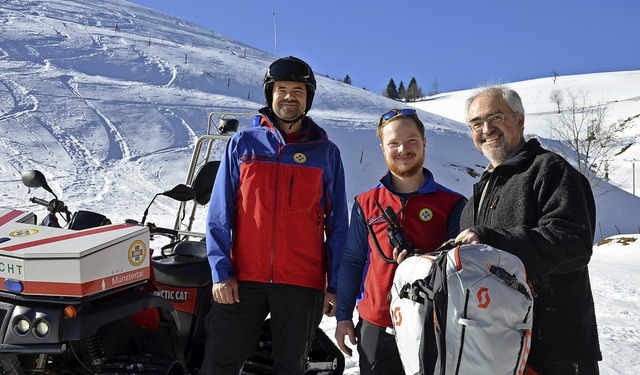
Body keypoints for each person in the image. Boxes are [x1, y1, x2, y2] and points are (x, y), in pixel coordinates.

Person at [200, 56, 349, 375]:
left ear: (308, 97)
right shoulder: (243, 144)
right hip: (242, 279)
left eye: (298, 89)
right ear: (270, 94)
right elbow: (219, 214)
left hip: (302, 283)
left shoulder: (325, 153)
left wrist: (335, 285)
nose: (289, 96)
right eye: (281, 89)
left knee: (289, 367)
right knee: (218, 363)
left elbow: (338, 227)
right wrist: (220, 271)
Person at [455, 86, 602, 374]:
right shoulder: (475, 200)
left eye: (495, 117)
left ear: (519, 120)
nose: (486, 129)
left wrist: (490, 240)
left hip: (555, 350)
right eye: (476, 124)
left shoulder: (550, 170)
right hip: (499, 349)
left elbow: (572, 242)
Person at [335, 108, 466, 375]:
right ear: (383, 148)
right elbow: (352, 260)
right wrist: (344, 316)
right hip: (377, 325)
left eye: (411, 141)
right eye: (393, 143)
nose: (402, 149)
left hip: (432, 326)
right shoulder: (365, 203)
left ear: (424, 144)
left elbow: (458, 267)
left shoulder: (452, 204)